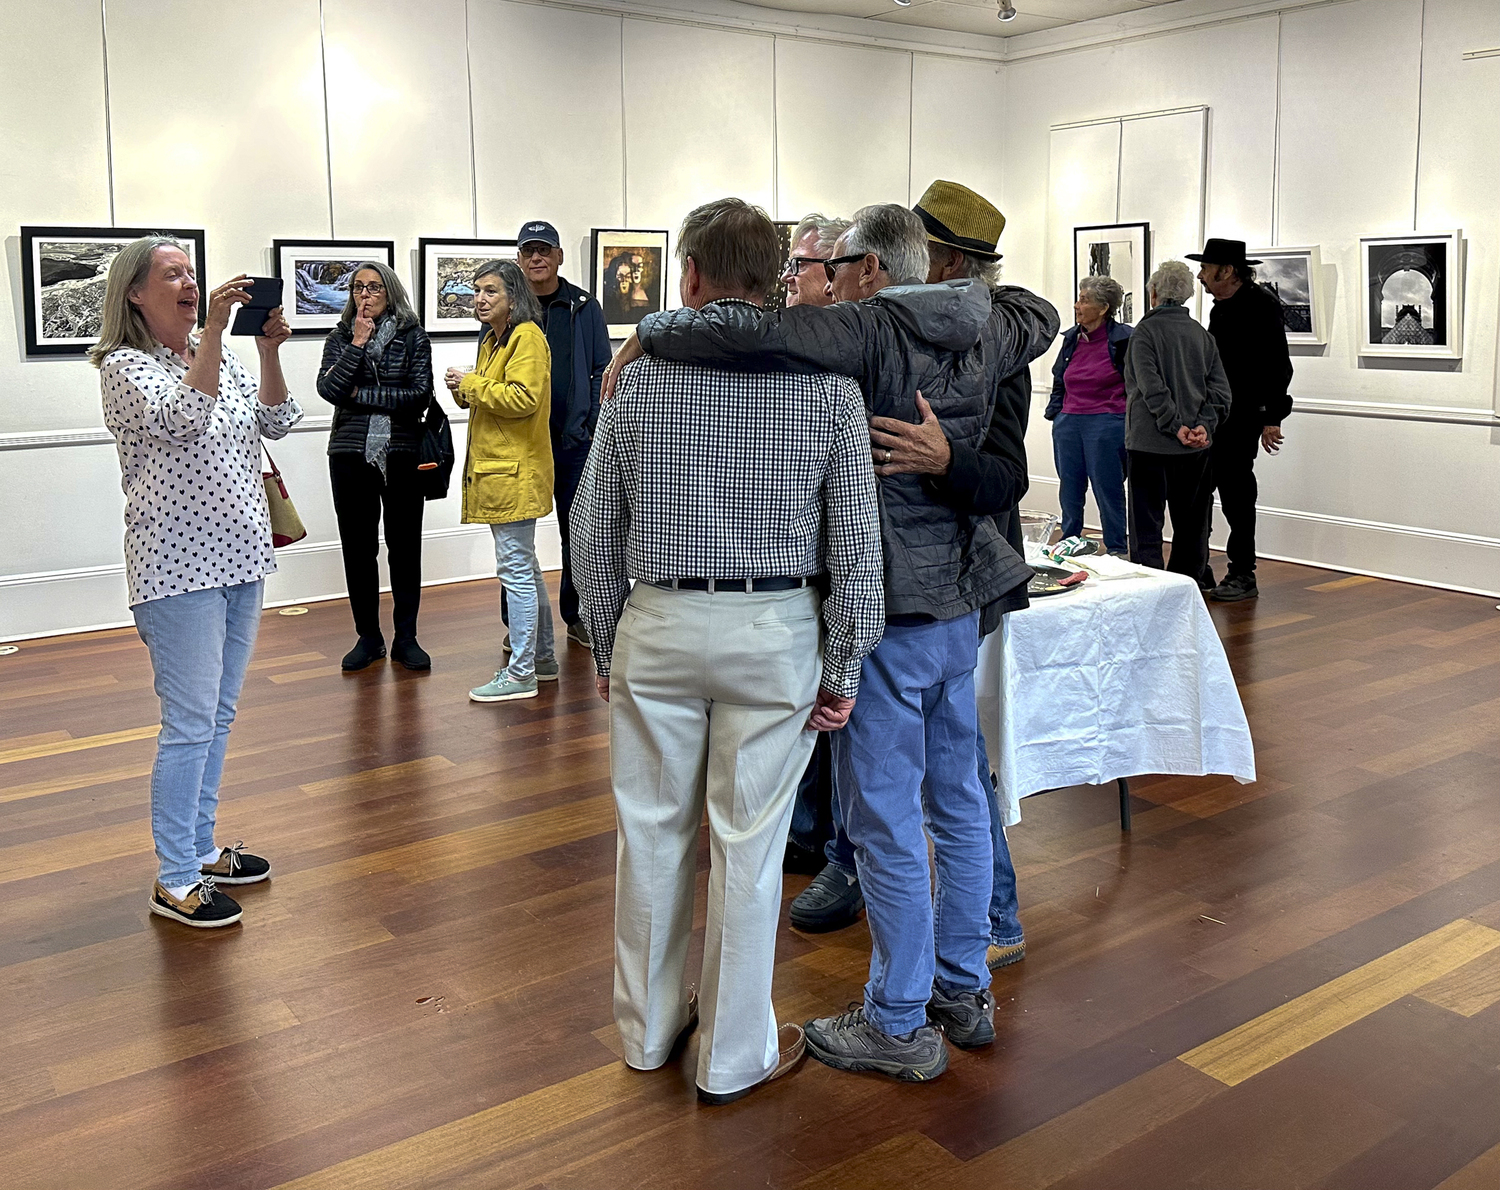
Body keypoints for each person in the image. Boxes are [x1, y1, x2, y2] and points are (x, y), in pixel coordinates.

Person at [617, 203, 1047, 1083]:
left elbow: (743, 334)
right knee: (961, 798)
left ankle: (898, 1019)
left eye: (843, 262)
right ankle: (963, 989)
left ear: (880, 272)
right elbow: (1038, 319)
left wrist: (649, 332)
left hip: (891, 606)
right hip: (960, 603)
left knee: (883, 817)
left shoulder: (871, 335)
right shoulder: (1001, 324)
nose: (832, 276)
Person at [573, 197, 884, 1105]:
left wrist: (602, 643)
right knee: (749, 854)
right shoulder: (829, 391)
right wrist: (845, 662)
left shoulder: (642, 385)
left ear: (692, 277)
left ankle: (647, 1033)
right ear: (783, 277)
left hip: (659, 623)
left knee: (652, 838)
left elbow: (595, 532)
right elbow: (857, 545)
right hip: (774, 631)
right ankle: (733, 1056)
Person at [854, 178, 1061, 973]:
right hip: (909, 580)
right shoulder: (902, 329)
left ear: (941, 260)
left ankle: (985, 930)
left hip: (957, 578)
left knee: (954, 779)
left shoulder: (991, 342)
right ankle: (946, 953)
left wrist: (946, 461)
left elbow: (1004, 478)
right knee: (924, 778)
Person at [93, 235, 301, 928]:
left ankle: (203, 848)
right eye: (171, 275)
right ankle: (176, 877)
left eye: (191, 272)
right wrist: (213, 332)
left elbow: (275, 419)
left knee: (219, 716)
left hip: (241, 558)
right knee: (187, 725)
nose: (188, 282)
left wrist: (266, 351)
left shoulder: (221, 357)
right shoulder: (125, 366)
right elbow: (183, 420)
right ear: (135, 293)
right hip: (175, 570)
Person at [497, 220, 611, 653]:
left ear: (560, 256)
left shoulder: (584, 305)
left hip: (573, 442)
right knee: (515, 542)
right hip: (521, 446)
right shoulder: (507, 310)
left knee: (577, 533)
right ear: (519, 259)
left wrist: (593, 425)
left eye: (545, 250)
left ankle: (577, 616)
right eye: (529, 252)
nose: (537, 258)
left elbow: (603, 368)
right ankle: (519, 624)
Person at [445, 261, 556, 702]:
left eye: (490, 291)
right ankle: (541, 659)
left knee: (516, 571)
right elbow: (495, 395)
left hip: (513, 473)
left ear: (514, 296)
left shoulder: (526, 337)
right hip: (501, 470)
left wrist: (469, 385)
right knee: (524, 568)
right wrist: (464, 387)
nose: (480, 298)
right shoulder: (495, 339)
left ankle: (522, 671)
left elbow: (523, 399)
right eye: (476, 291)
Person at [318, 261, 434, 672]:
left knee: (405, 548)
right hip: (349, 455)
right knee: (358, 548)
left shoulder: (413, 336)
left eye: (374, 288)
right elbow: (329, 390)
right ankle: (368, 637)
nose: (365, 295)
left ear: (390, 293)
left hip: (402, 454)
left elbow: (418, 396)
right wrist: (357, 344)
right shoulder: (339, 338)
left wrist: (359, 394)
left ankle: (407, 637)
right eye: (358, 288)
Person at [1187, 238, 1294, 601]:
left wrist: (1272, 417)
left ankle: (1242, 572)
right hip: (1214, 414)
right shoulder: (1221, 308)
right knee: (1200, 493)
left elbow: (1277, 364)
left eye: (1206, 269)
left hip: (1243, 416)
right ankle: (1198, 567)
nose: (1201, 276)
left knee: (1236, 494)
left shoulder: (1261, 306)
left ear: (1228, 271)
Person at [1124, 261, 1232, 578]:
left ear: (1154, 292)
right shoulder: (1201, 335)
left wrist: (1175, 426)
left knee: (1146, 526)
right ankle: (1188, 588)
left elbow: (1151, 387)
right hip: (1196, 447)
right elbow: (1221, 391)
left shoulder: (1144, 332)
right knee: (1193, 524)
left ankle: (1150, 588)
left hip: (1149, 443)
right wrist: (1203, 426)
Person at [1044, 274, 1133, 555]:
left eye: (1084, 300)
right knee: (1069, 488)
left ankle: (1117, 546)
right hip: (1069, 421)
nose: (1076, 306)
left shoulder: (1123, 339)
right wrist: (1057, 414)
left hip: (1107, 422)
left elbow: (1135, 383)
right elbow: (1060, 376)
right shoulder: (1071, 339)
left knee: (1108, 489)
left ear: (1104, 307)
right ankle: (1070, 540)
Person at [779, 213, 848, 309]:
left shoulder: (868, 323)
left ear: (836, 268)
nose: (785, 277)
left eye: (798, 264)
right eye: (789, 265)